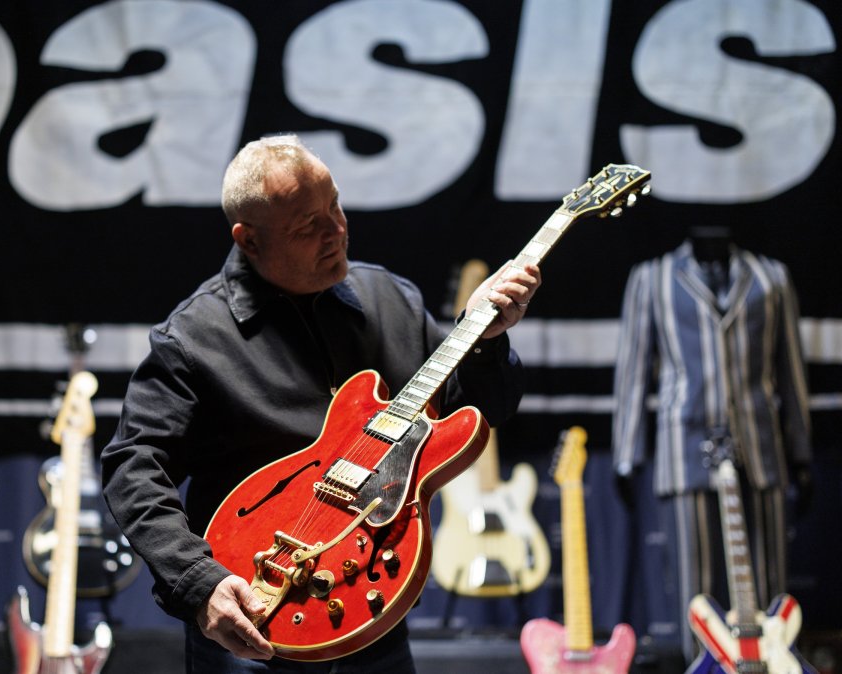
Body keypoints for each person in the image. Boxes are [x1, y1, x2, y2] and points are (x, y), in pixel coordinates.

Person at [100, 134, 540, 672]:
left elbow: (477, 412)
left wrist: (486, 342)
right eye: (307, 226)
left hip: (374, 616)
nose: (336, 231)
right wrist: (197, 581)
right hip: (254, 620)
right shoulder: (193, 338)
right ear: (249, 239)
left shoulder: (391, 299)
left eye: (336, 205)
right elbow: (133, 466)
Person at [611, 225, 812, 664]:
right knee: (696, 592)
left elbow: (791, 369)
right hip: (684, 445)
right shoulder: (652, 277)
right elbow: (633, 370)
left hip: (760, 445)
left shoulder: (771, 277)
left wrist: (801, 452)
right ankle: (700, 668)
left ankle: (772, 668)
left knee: (771, 590)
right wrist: (627, 454)